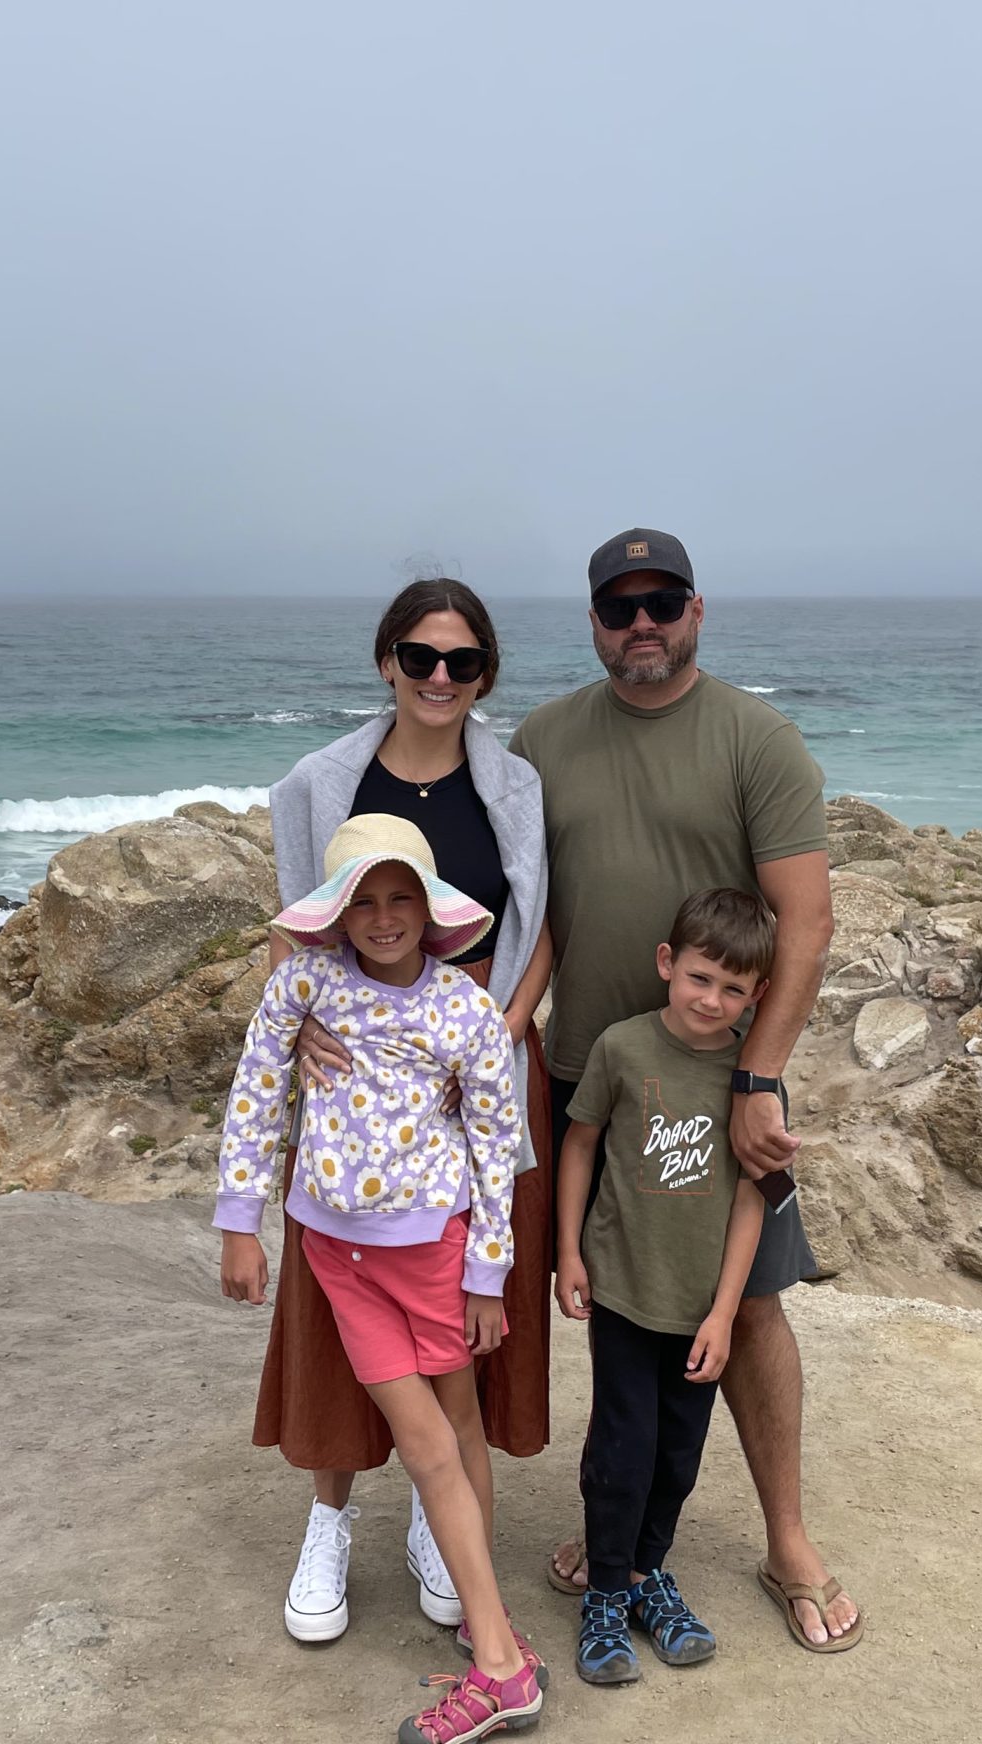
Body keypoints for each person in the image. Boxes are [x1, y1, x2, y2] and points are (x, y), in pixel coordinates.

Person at [510, 526, 863, 1654]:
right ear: (594, 622)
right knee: (616, 1301)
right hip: (590, 1074)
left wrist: (758, 1077)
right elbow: (523, 910)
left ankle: (786, 1540)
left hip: (723, 1086)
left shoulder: (757, 739)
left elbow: (806, 923)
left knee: (747, 1301)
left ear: (696, 611)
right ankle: (618, 1540)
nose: (642, 623)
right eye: (620, 606)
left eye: (662, 601)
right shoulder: (541, 740)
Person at [259, 579, 557, 1647]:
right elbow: (295, 927)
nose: (439, 677)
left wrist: (501, 1031)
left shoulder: (514, 785)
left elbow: (539, 924)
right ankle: (328, 1521)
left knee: (459, 1297)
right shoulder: (320, 782)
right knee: (337, 1298)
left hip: (478, 1062)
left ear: (485, 674)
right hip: (355, 1086)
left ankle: (445, 1515)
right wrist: (300, 1027)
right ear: (386, 661)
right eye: (420, 657)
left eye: (462, 661)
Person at [215, 814, 547, 1743]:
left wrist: (488, 1272)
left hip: (433, 1254)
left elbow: (497, 1142)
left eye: (402, 897)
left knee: (452, 1431)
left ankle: (494, 1652)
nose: (384, 917)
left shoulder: (464, 1009)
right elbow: (256, 1091)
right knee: (428, 1438)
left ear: (431, 908)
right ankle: (498, 1647)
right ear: (336, 914)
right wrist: (241, 1223)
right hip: (336, 1255)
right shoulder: (304, 984)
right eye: (362, 901)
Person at [556, 889, 772, 1688]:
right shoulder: (620, 1048)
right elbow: (580, 1145)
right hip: (622, 1290)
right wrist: (569, 1253)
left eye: (732, 989)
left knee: (678, 1455)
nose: (711, 1000)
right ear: (667, 965)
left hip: (699, 1308)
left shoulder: (752, 1080)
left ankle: (647, 1576)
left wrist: (725, 1312)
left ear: (756, 995)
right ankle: (605, 1593)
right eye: (699, 978)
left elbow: (753, 1197)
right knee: (623, 1448)